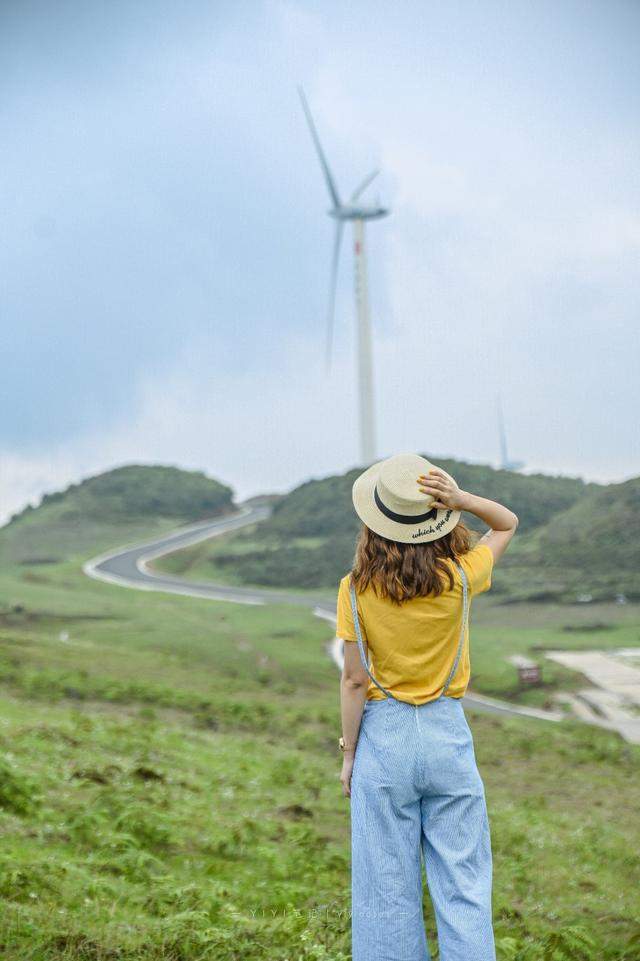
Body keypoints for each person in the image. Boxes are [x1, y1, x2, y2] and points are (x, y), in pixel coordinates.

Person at [335, 452, 519, 961]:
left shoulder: (354, 590)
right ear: (438, 519)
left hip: (384, 739)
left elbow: (353, 681)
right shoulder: (461, 576)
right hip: (447, 735)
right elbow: (506, 523)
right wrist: (462, 500)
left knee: (384, 889)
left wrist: (350, 755)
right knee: (463, 882)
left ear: (375, 523)